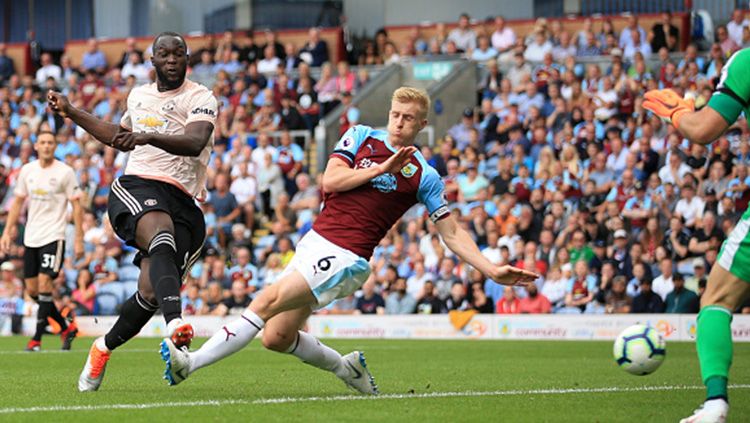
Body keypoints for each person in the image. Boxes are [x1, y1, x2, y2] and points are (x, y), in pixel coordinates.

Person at [161, 87, 539, 394]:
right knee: (275, 336)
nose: (399, 123)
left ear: (422, 124)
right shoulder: (360, 137)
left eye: (408, 119)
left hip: (348, 256)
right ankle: (348, 368)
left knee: (266, 299)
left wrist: (490, 268)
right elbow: (331, 181)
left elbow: (451, 230)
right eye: (395, 114)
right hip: (316, 242)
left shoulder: (424, 174)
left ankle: (188, 364)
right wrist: (381, 168)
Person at [46, 32, 217, 392]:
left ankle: (101, 348)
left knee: (151, 292)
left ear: (187, 59)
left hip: (185, 200)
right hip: (139, 184)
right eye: (164, 54)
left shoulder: (200, 97)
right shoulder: (138, 96)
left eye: (178, 54)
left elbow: (195, 141)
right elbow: (117, 137)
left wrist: (146, 136)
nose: (171, 60)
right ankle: (175, 324)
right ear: (152, 61)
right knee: (161, 235)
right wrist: (72, 110)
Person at [643, 47, 750, 422]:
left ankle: (716, 403)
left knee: (717, 300)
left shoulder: (745, 62)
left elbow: (703, 131)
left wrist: (678, 111)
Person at [0, 131, 84, 351]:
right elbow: (17, 203)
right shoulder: (27, 170)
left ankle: (36, 338)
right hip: (31, 236)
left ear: (55, 147)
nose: (47, 146)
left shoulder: (65, 172)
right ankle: (66, 328)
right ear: (36, 145)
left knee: (46, 284)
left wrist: (78, 239)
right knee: (34, 291)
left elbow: (76, 206)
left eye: (51, 143)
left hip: (54, 235)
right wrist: (7, 232)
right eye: (43, 142)